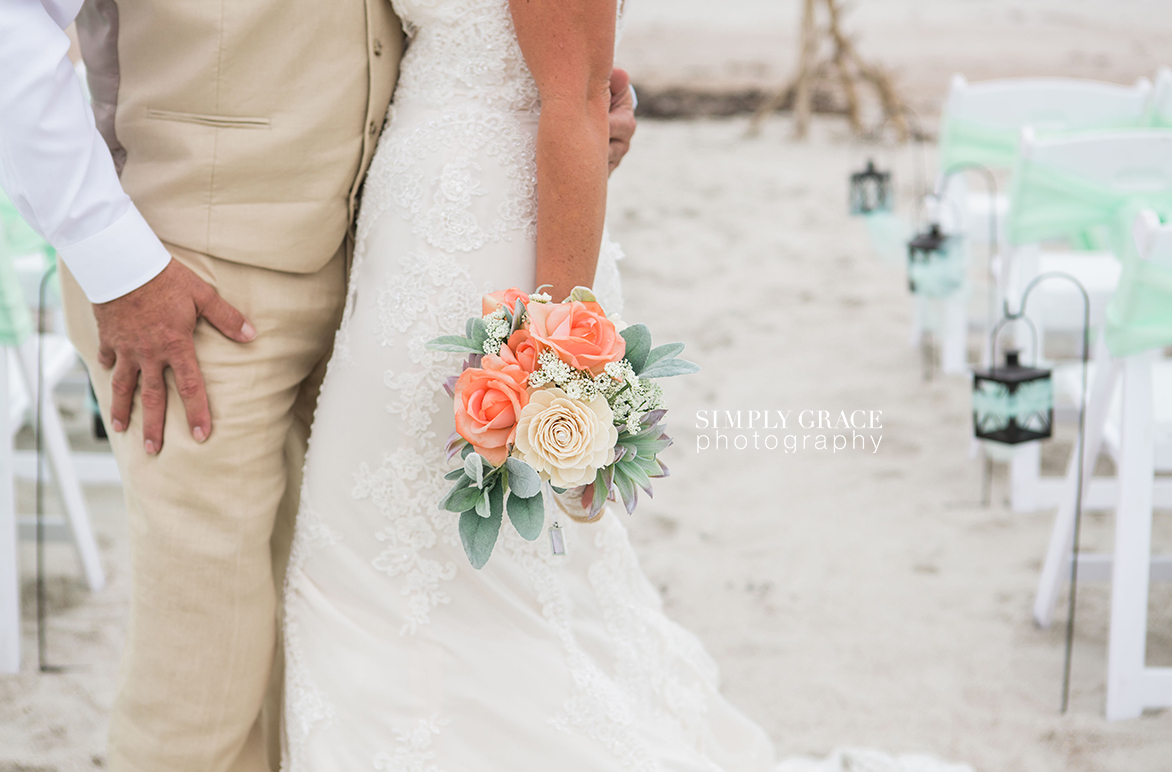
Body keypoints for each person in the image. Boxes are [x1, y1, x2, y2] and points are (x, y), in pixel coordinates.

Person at [280, 1, 971, 771]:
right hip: (407, 230)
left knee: (418, 579)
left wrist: (557, 365)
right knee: (375, 573)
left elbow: (574, 95)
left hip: (490, 251)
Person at [0, 2, 635, 771]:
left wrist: (565, 100)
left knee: (325, 641)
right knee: (205, 653)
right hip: (192, 278)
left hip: (383, 269)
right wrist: (114, 258)